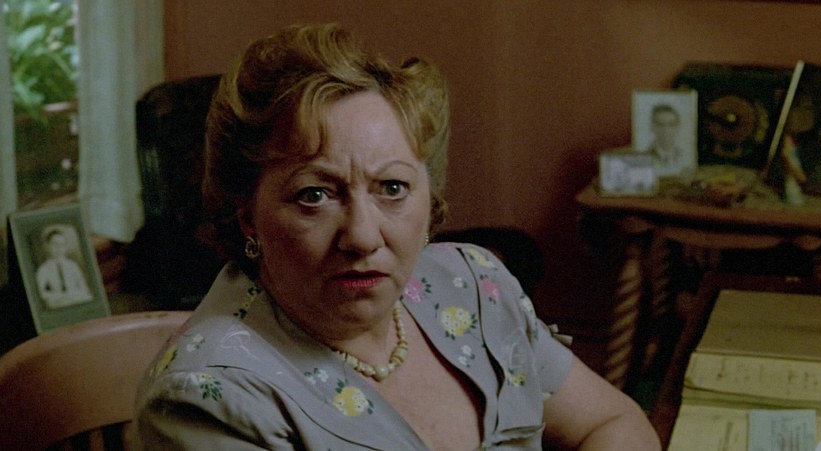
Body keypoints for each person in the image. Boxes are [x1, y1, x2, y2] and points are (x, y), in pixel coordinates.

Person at [133, 23, 660, 450]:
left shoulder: (474, 286)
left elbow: (612, 422)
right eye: (314, 195)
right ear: (246, 215)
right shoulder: (209, 398)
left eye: (391, 188)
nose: (363, 237)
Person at [35, 226, 92, 309]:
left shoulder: (73, 266)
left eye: (62, 245)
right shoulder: (43, 269)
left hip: (75, 299)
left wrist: (75, 295)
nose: (59, 248)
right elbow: (40, 293)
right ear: (47, 246)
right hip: (59, 302)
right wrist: (59, 296)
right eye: (55, 244)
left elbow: (83, 287)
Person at [645, 103, 689, 178]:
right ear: (653, 127)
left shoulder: (684, 155)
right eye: (661, 125)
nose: (666, 130)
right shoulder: (645, 155)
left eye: (671, 125)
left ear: (678, 127)